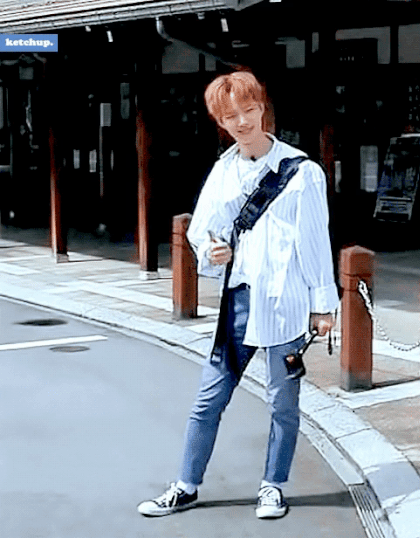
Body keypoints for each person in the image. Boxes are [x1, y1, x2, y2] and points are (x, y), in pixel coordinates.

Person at [137, 70, 339, 520]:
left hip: (285, 302)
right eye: (231, 116)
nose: (243, 122)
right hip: (240, 303)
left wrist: (323, 305)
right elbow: (201, 231)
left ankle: (273, 486)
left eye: (249, 110)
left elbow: (314, 242)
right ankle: (185, 485)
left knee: (283, 404)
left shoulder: (302, 172)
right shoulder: (224, 171)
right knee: (208, 400)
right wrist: (214, 250)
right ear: (220, 122)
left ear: (263, 108)